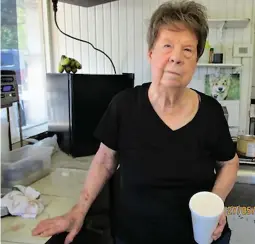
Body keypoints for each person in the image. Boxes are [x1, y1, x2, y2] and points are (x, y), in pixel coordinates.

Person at [32, 1, 239, 244]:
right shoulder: (124, 105)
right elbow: (104, 161)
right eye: (167, 46)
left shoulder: (210, 112)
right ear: (151, 53)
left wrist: (216, 202)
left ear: (196, 60)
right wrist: (79, 210)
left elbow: (229, 163)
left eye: (187, 50)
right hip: (132, 236)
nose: (176, 58)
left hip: (195, 237)